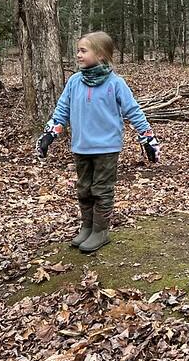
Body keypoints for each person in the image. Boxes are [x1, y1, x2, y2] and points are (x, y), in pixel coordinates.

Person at [35, 31, 160, 253]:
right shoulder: (74, 81)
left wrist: (148, 138)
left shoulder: (115, 83)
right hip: (81, 146)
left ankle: (101, 231)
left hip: (107, 147)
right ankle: (87, 226)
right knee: (84, 189)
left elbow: (133, 111)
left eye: (83, 51)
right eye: (78, 51)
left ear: (101, 55)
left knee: (101, 189)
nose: (78, 55)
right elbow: (62, 110)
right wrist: (49, 135)